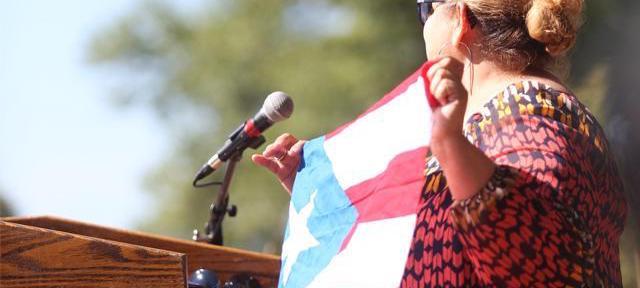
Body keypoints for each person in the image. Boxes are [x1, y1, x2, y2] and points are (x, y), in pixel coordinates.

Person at [252, 0, 628, 286]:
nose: (423, 29)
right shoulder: (510, 121)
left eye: (424, 10)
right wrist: (326, 199)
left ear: (459, 22)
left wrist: (450, 146)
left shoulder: (530, 118)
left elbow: (539, 260)